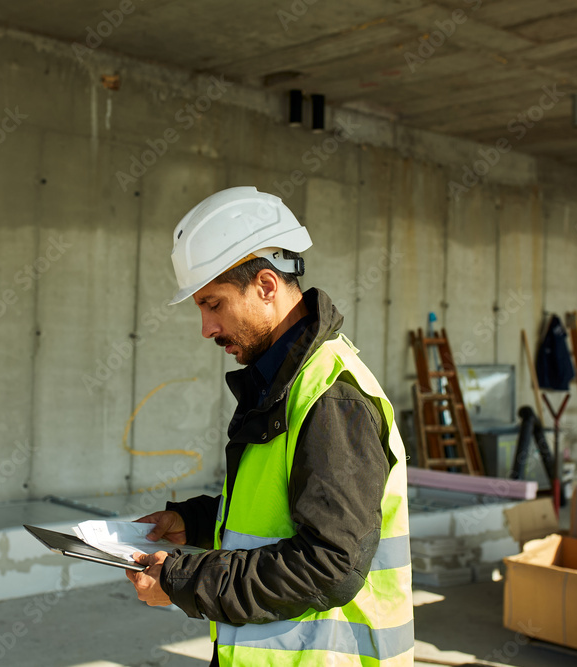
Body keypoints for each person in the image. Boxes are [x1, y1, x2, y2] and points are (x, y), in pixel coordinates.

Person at [125, 186, 414, 666]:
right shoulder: (284, 383)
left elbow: (329, 563)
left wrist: (184, 581)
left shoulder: (331, 398)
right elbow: (285, 509)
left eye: (213, 304)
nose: (206, 328)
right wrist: (194, 522)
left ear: (265, 286)